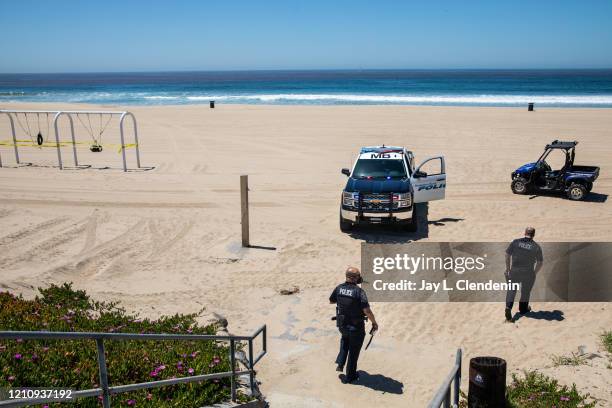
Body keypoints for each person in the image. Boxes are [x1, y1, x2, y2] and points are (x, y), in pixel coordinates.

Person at [329, 266, 378, 383]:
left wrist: (342, 301)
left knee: (345, 340)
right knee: (354, 351)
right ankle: (350, 376)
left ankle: (340, 363)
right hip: (356, 327)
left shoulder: (339, 288)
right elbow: (367, 311)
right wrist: (374, 323)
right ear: (356, 278)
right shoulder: (359, 292)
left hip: (342, 325)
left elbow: (331, 300)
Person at [504, 227, 543, 321]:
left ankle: (508, 308)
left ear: (525, 232)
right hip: (528, 272)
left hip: (515, 271)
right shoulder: (536, 247)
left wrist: (508, 268)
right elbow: (540, 262)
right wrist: (534, 272)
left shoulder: (516, 242)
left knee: (512, 290)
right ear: (533, 235)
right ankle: (523, 309)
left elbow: (507, 255)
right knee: (525, 292)